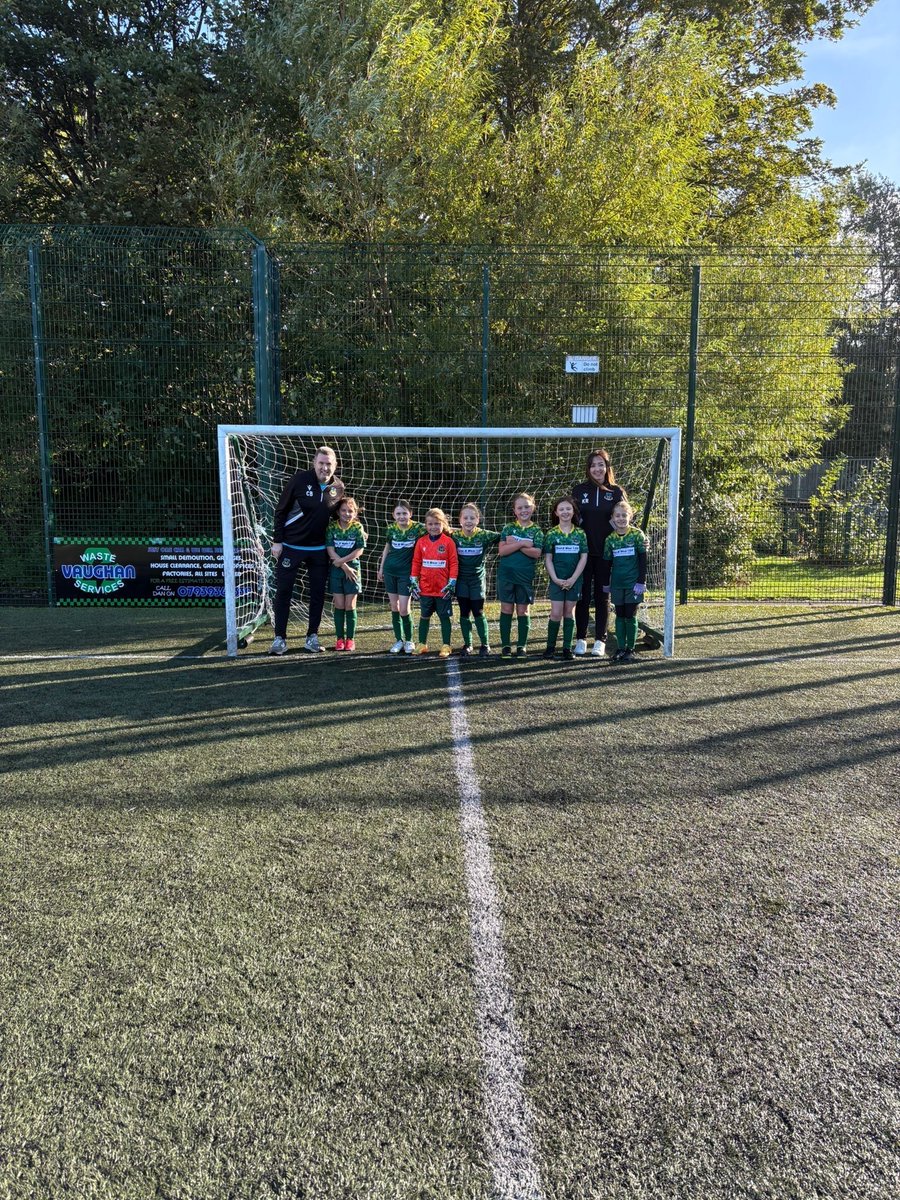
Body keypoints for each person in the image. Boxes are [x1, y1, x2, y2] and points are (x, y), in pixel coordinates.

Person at [268, 445, 345, 655]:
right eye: (321, 463)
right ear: (314, 463)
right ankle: (279, 638)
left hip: (319, 549)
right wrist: (278, 541)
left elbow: (340, 517)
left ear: (335, 465)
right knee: (284, 591)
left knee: (318, 593)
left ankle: (312, 636)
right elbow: (281, 510)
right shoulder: (299, 481)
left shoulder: (338, 488)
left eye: (329, 464)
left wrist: (356, 531)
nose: (324, 468)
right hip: (291, 547)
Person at [571, 448, 626, 658]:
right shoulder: (578, 490)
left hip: (606, 554)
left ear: (607, 467)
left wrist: (638, 536)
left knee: (603, 597)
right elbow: (571, 520)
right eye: (593, 465)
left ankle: (600, 641)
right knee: (582, 597)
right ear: (588, 468)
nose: (597, 468)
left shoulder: (616, 492)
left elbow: (625, 520)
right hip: (583, 554)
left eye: (600, 464)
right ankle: (581, 639)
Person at [496, 493, 544, 658]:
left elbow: (537, 553)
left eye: (527, 506)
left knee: (523, 611)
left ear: (533, 507)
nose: (524, 510)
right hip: (506, 575)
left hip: (525, 577)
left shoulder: (536, 530)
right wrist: (523, 543)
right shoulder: (508, 528)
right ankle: (506, 646)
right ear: (514, 511)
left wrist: (515, 544)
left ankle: (522, 646)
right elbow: (502, 551)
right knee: (507, 609)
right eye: (520, 507)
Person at [451, 503, 501, 658]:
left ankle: (485, 644)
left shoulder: (484, 535)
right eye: (465, 517)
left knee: (478, 611)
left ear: (478, 520)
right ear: (460, 520)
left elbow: (503, 536)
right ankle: (468, 644)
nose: (468, 521)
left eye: (472, 518)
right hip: (461, 581)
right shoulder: (454, 536)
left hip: (477, 581)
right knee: (464, 612)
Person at [376, 500, 426, 655]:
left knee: (404, 609)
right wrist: (381, 568)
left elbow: (437, 527)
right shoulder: (390, 529)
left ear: (410, 514)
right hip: (390, 571)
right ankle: (399, 640)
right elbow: (387, 548)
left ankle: (409, 640)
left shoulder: (418, 528)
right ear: (393, 515)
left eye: (405, 513)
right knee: (394, 607)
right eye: (398, 513)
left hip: (407, 574)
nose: (402, 516)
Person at [602, 499, 649, 663]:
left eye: (624, 515)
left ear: (630, 516)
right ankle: (620, 648)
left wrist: (641, 581)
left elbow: (643, 559)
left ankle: (630, 648)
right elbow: (607, 563)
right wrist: (606, 584)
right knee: (620, 615)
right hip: (617, 583)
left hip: (633, 584)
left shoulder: (637, 535)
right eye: (618, 516)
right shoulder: (610, 539)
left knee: (630, 614)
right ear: (613, 518)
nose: (621, 518)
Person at [543, 497, 588, 660]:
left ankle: (567, 648)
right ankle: (550, 647)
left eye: (568, 509)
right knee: (556, 613)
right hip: (557, 580)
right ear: (556, 512)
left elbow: (583, 558)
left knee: (569, 612)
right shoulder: (552, 533)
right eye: (561, 509)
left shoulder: (580, 533)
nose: (565, 512)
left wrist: (573, 578)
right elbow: (548, 558)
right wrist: (555, 578)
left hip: (574, 581)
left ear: (573, 511)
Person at [410, 509, 458, 658]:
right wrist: (413, 580)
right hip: (425, 589)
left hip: (443, 589)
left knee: (444, 617)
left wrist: (452, 582)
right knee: (424, 616)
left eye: (437, 524)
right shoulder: (421, 542)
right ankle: (422, 644)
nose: (433, 527)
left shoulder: (448, 542)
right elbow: (416, 562)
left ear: (443, 524)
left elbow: (454, 563)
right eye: (430, 524)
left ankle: (446, 645)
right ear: (426, 525)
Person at [326, 496, 366, 651]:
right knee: (339, 605)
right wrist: (344, 566)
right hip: (337, 571)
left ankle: (350, 639)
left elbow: (359, 550)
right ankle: (339, 639)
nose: (347, 513)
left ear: (355, 512)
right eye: (344, 510)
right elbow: (330, 549)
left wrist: (345, 564)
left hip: (353, 571)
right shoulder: (332, 527)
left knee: (350, 605)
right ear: (338, 511)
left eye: (351, 511)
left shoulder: (357, 528)